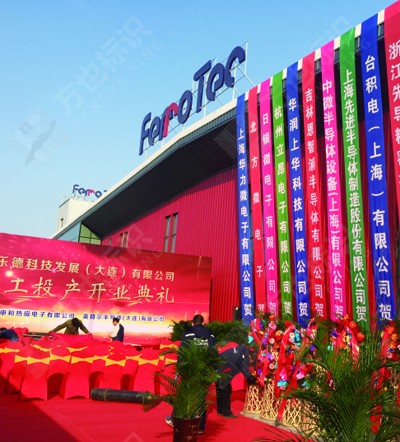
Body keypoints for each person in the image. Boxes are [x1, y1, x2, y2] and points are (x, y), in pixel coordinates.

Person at [165, 314, 216, 435]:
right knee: (201, 397)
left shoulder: (188, 333)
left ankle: (176, 421)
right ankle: (200, 427)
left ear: (193, 323)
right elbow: (213, 352)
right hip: (205, 369)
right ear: (203, 323)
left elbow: (183, 352)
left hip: (190, 368)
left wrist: (179, 368)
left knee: (184, 394)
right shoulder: (210, 335)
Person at [216, 345, 257, 418]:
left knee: (220, 388)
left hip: (219, 364)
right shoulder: (245, 356)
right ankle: (227, 412)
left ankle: (220, 410)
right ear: (251, 358)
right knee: (226, 389)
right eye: (251, 363)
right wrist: (251, 377)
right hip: (224, 368)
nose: (249, 364)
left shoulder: (242, 350)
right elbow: (244, 368)